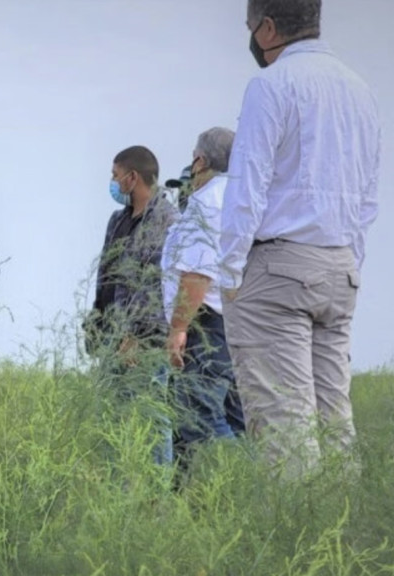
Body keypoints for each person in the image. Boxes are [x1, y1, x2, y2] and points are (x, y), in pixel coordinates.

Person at [220, 0, 381, 478]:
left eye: (250, 27)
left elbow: (246, 184)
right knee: (334, 425)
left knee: (285, 434)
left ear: (267, 28)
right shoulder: (360, 90)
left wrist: (230, 272)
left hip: (277, 271)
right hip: (339, 268)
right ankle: (343, 541)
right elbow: (368, 196)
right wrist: (350, 262)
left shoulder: (271, 86)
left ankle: (296, 544)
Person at [88, 146, 179, 465]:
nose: (113, 183)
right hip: (112, 334)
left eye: (115, 176)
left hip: (144, 338)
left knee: (151, 411)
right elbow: (107, 275)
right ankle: (118, 487)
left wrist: (138, 335)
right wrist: (96, 323)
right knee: (111, 411)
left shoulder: (166, 220)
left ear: (132, 177)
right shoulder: (118, 220)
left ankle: (156, 488)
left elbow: (154, 284)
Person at [161, 128, 245, 467]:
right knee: (235, 418)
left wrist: (178, 327)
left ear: (199, 161)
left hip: (206, 323)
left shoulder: (207, 202)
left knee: (199, 418)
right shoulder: (240, 197)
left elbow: (198, 271)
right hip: (236, 322)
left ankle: (240, 481)